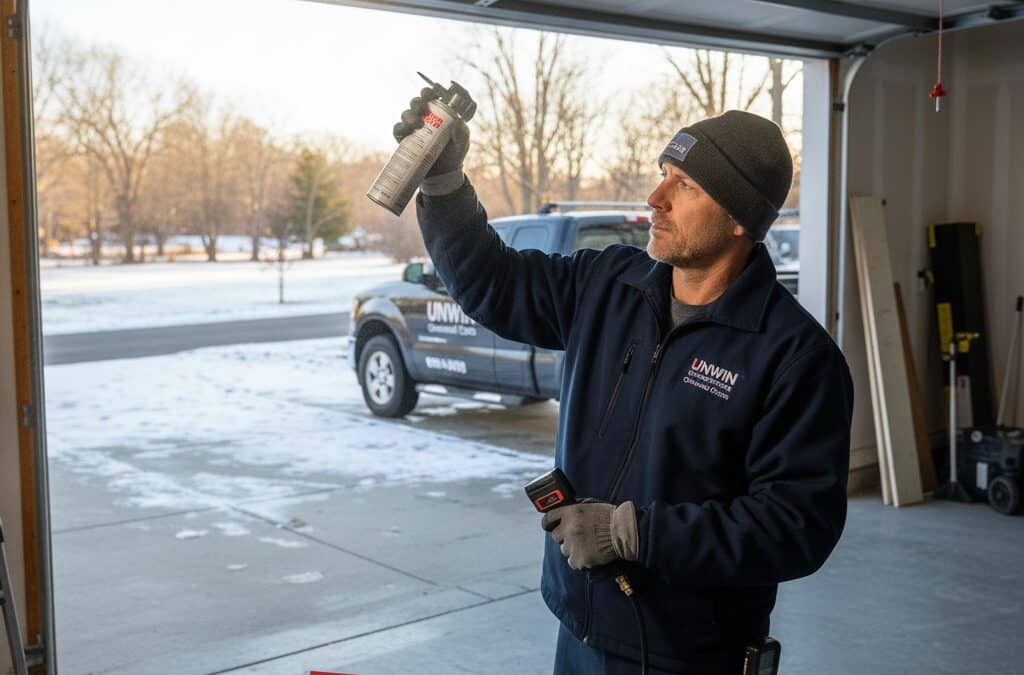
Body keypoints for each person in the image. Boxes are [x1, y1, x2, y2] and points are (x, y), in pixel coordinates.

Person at [392, 86, 853, 675]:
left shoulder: (794, 357)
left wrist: (632, 533)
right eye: (663, 173)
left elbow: (796, 525)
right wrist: (443, 183)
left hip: (687, 656)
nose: (655, 198)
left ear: (739, 218)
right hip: (579, 626)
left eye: (685, 185)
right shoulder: (609, 286)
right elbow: (494, 283)